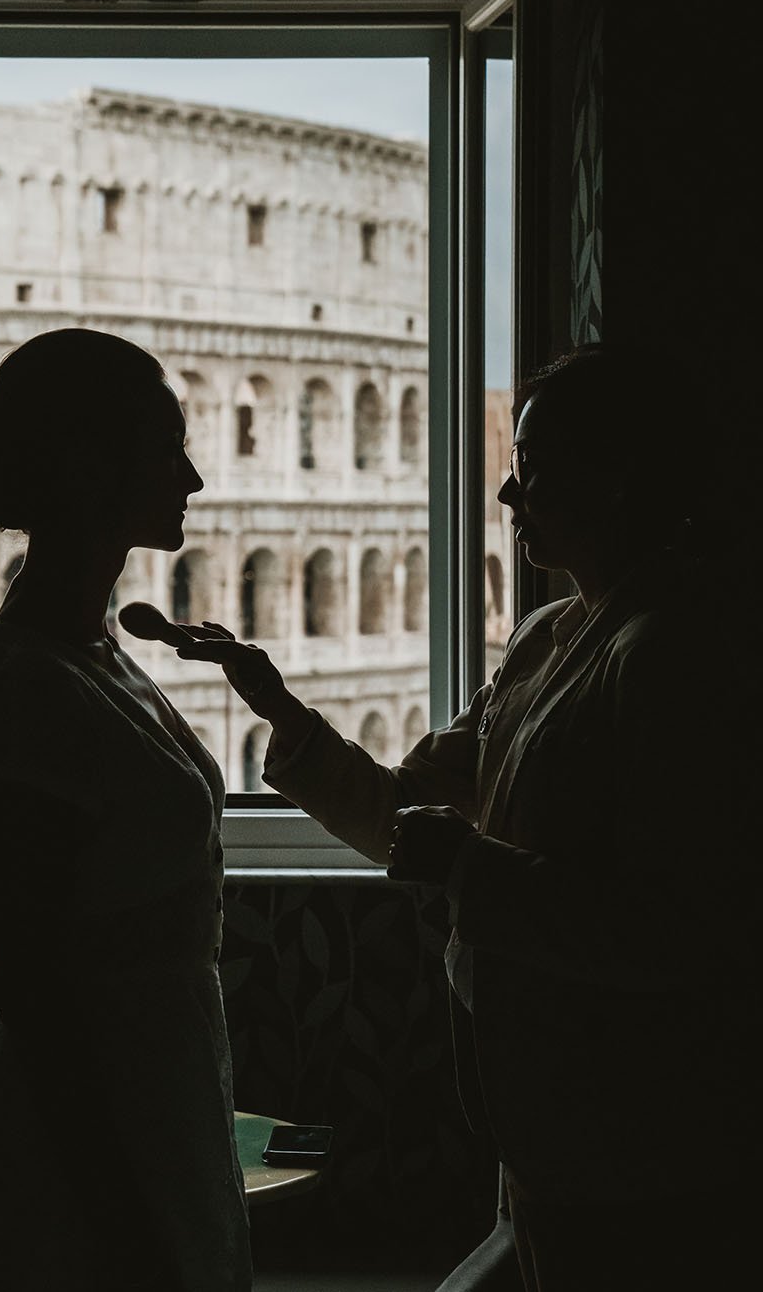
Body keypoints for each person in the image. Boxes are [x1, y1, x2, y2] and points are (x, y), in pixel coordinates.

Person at [172, 345, 761, 1291]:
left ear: (616, 480)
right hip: (536, 1126)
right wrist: (278, 708)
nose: (506, 494)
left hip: (638, 1138)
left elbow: (682, 927)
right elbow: (403, 813)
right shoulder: (544, 640)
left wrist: (468, 870)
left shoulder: (673, 657)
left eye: (533, 467)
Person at [0, 328, 252, 1292]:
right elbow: (36, 984)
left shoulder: (98, 653)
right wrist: (126, 1220)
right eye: (167, 449)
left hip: (159, 1086)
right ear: (90, 467)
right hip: (95, 1136)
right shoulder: (31, 683)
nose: (191, 477)